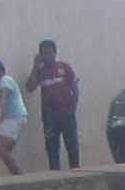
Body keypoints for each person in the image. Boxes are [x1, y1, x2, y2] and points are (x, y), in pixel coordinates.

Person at [26, 37, 83, 170]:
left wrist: (73, 109)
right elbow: (29, 87)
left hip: (66, 112)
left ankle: (76, 173)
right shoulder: (40, 71)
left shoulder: (64, 67)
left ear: (55, 53)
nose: (47, 56)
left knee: (72, 145)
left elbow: (75, 89)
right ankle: (55, 176)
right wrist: (35, 66)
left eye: (50, 52)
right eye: (44, 53)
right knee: (52, 148)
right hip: (49, 116)